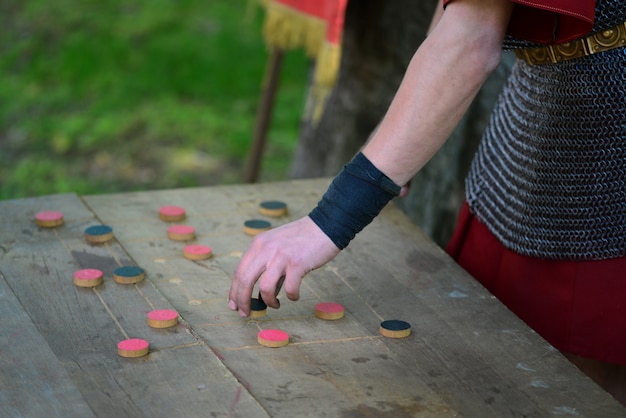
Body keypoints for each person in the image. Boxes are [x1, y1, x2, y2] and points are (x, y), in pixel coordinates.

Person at [229, 0, 626, 404]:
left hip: (610, 160)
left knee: (581, 390)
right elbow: (456, 11)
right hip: (533, 129)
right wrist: (397, 142)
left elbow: (470, 37)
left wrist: (330, 220)